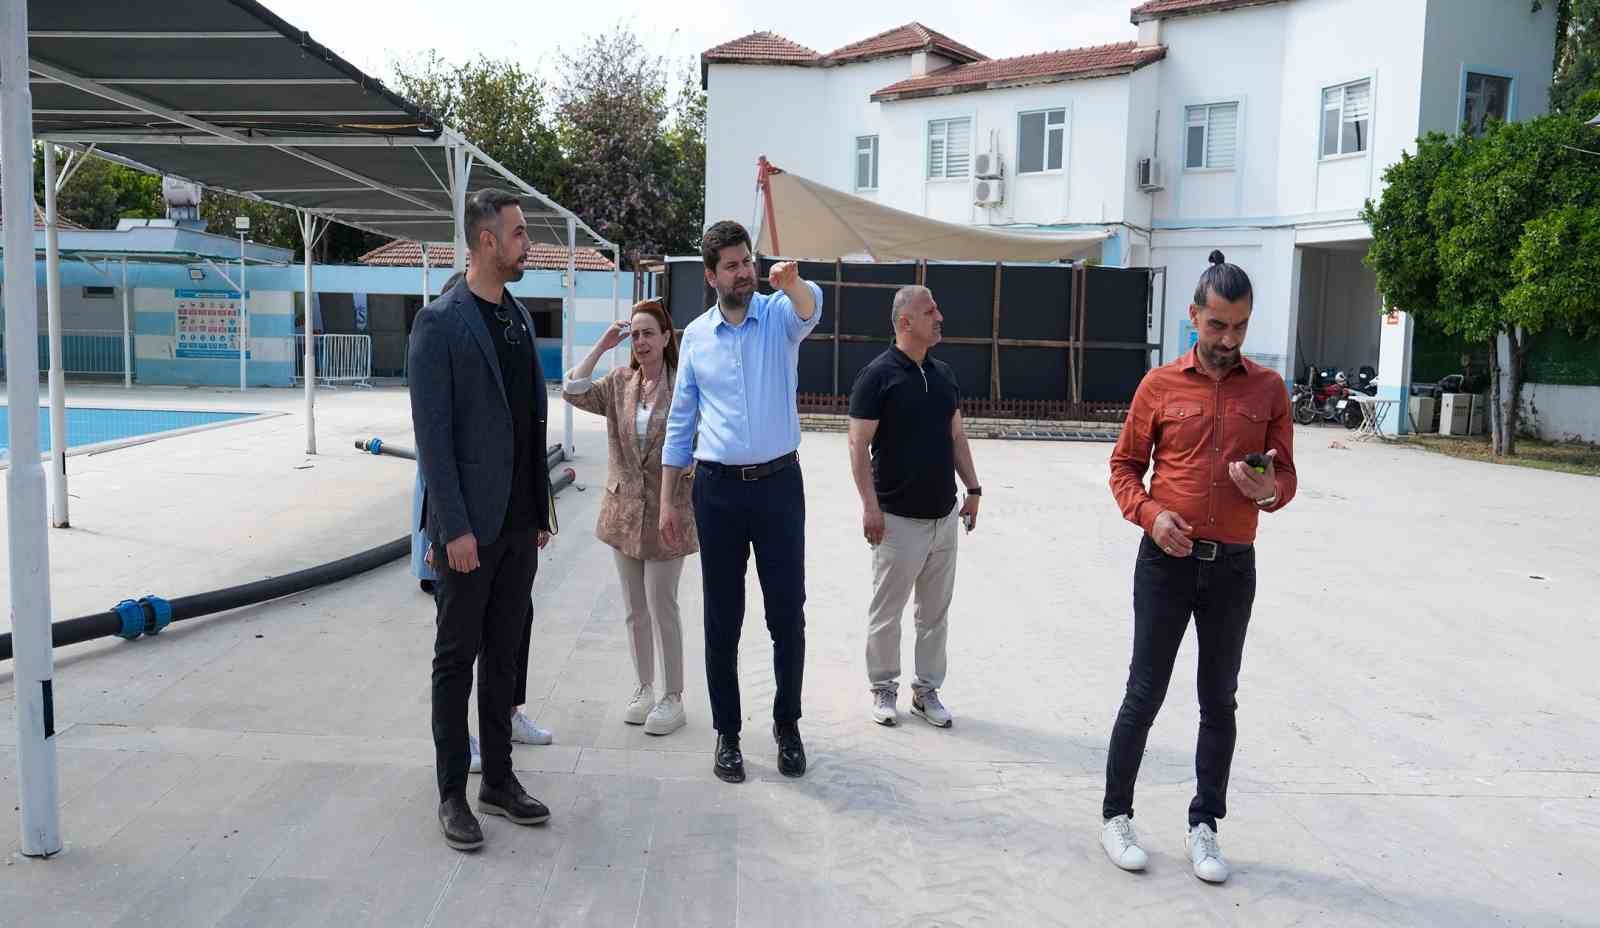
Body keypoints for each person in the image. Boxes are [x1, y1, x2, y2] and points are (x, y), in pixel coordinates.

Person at [1099, 250, 1296, 883]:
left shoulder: (1269, 390)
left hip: (1233, 569)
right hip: (1166, 563)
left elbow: (1286, 478)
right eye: (1217, 326)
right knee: (1144, 692)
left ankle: (1204, 825)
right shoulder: (1159, 386)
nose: (1228, 340)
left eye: (1239, 327)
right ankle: (1116, 815)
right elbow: (1124, 467)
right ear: (1193, 316)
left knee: (1219, 698)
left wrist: (1267, 491)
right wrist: (1152, 515)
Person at [409, 188, 555, 852]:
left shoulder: (518, 317)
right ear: (486, 241)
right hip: (469, 529)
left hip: (519, 523)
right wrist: (453, 529)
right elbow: (433, 440)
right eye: (519, 233)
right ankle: (451, 794)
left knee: (505, 655)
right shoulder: (440, 323)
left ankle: (498, 779)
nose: (529, 243)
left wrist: (539, 505)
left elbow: (529, 420)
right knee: (455, 659)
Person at [660, 220, 823, 783]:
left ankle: (787, 725)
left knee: (787, 614)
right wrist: (668, 501)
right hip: (718, 492)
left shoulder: (778, 316)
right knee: (722, 617)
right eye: (731, 265)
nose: (744, 272)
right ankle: (727, 734)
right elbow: (681, 422)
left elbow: (811, 308)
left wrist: (793, 283)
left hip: (779, 488)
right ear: (711, 277)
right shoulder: (696, 337)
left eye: (747, 261)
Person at [847, 285, 981, 729]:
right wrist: (870, 507)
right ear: (905, 322)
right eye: (930, 311)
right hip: (896, 520)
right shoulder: (877, 376)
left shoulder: (944, 374)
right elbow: (857, 445)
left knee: (934, 615)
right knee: (887, 613)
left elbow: (956, 436)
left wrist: (973, 489)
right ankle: (884, 688)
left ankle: (926, 692)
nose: (939, 317)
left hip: (944, 517)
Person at [563, 299, 698, 736]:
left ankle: (673, 695)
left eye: (648, 333)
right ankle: (644, 688)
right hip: (623, 512)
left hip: (669, 510)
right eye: (635, 334)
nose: (640, 342)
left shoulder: (685, 384)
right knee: (634, 608)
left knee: (662, 604)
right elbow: (572, 388)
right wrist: (603, 345)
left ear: (666, 337)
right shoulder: (620, 383)